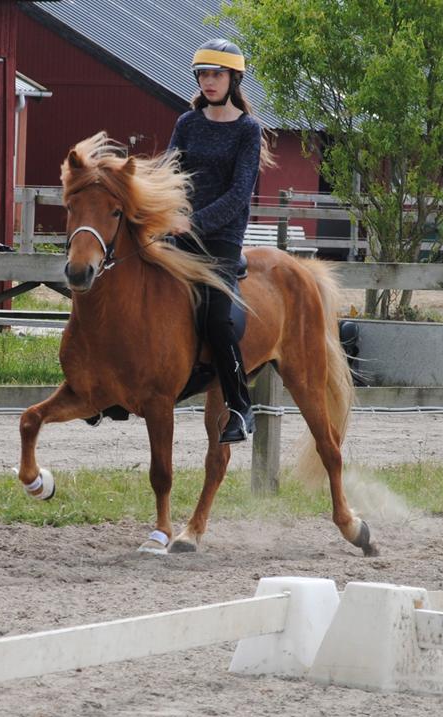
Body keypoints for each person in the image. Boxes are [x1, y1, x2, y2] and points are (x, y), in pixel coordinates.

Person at [167, 38, 271, 445]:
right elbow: (169, 171)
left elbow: (238, 195)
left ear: (234, 79)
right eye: (203, 74)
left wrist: (192, 223)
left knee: (215, 319)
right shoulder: (187, 123)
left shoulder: (248, 130)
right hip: (178, 232)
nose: (208, 81)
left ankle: (240, 407)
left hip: (221, 240)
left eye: (217, 74)